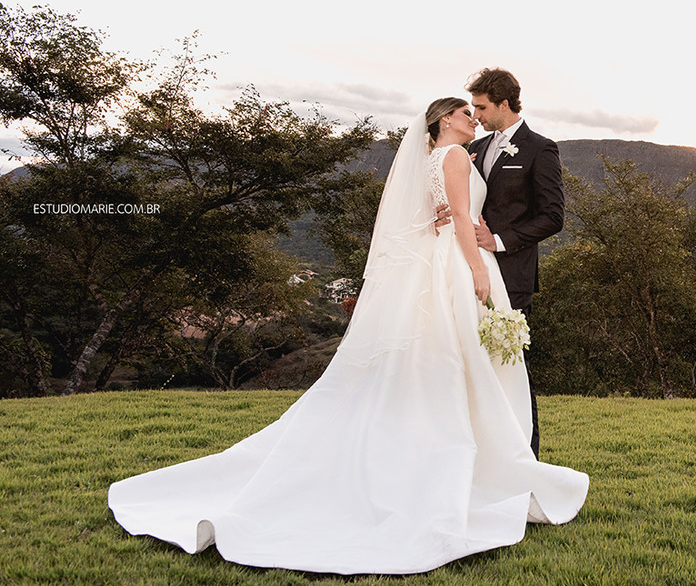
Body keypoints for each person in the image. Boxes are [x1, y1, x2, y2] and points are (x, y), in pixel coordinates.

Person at [107, 97, 588, 576]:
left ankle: (459, 459)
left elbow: (436, 216)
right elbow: (461, 218)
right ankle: (474, 467)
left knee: (439, 363)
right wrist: (476, 272)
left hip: (433, 265)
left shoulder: (431, 158)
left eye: (476, 110)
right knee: (458, 364)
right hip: (458, 266)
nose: (473, 119)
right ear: (445, 121)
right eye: (466, 113)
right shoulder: (459, 154)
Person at [465, 68, 564, 459]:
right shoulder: (475, 148)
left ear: (505, 103)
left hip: (511, 275)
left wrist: (499, 241)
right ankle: (481, 458)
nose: (476, 116)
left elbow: (553, 216)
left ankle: (527, 462)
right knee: (474, 368)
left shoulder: (541, 148)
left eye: (482, 107)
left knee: (512, 368)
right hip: (470, 273)